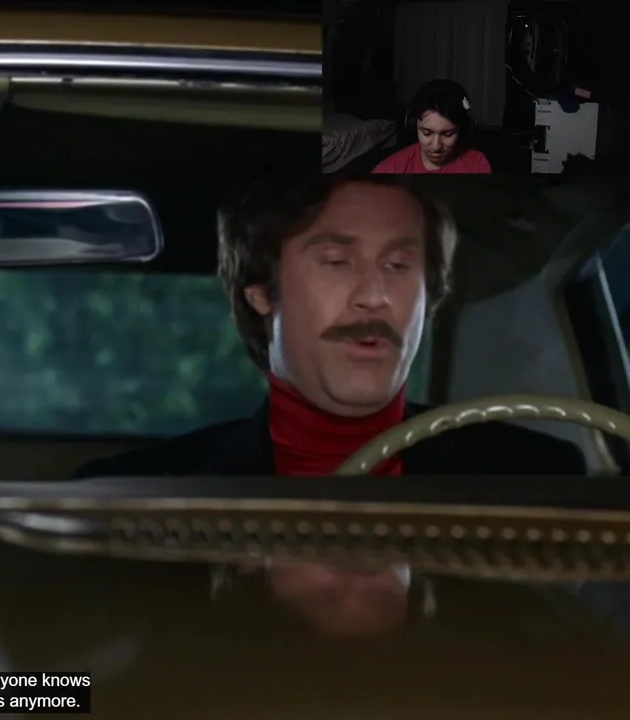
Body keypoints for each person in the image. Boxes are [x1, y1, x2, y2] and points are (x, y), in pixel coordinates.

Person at [72, 171, 586, 637]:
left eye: (399, 265)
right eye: (337, 261)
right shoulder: (122, 509)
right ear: (261, 291)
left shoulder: (540, 481)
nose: (375, 295)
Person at [373, 80, 492, 174]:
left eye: (448, 134)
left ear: (463, 128)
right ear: (413, 124)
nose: (436, 147)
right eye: (426, 133)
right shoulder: (388, 169)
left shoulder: (478, 164)